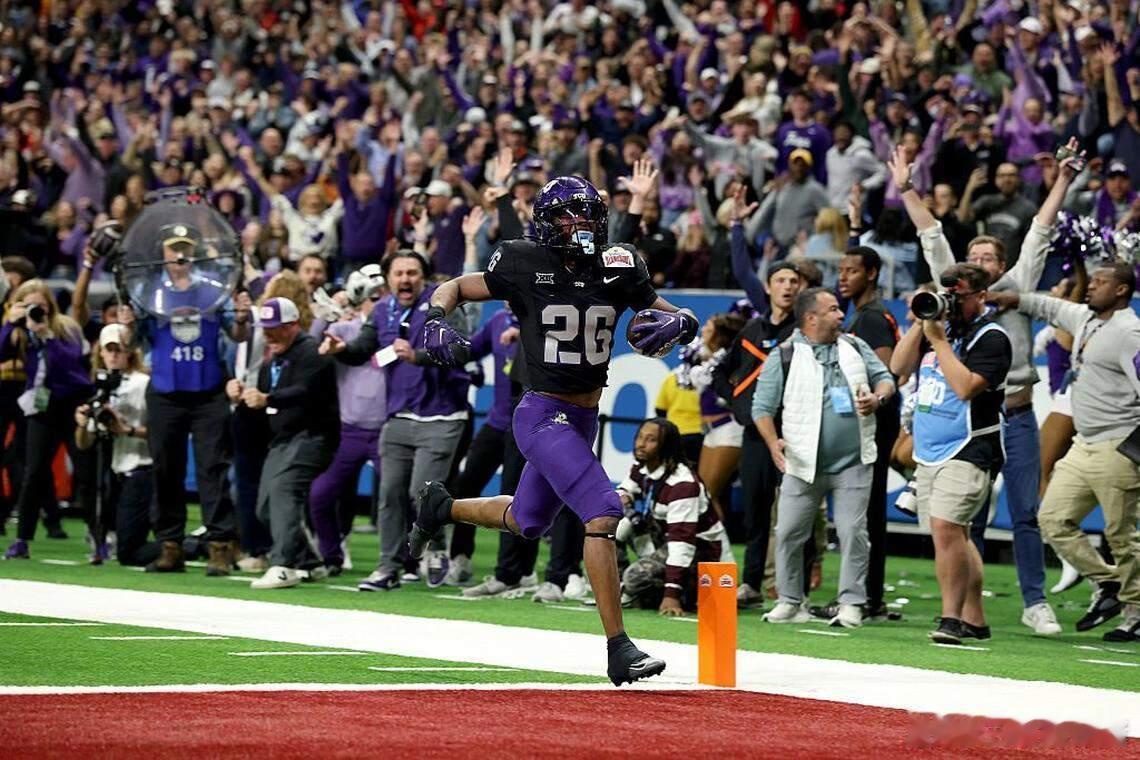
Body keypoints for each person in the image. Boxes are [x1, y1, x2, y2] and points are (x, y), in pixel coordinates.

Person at [406, 176, 698, 686]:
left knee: (528, 519)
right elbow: (455, 286)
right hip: (541, 412)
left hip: (583, 417)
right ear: (545, 222)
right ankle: (619, 647)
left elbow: (672, 314)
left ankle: (441, 508)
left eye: (587, 213)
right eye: (567, 214)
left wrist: (686, 323)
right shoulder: (523, 260)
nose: (579, 223)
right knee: (603, 511)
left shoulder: (619, 264)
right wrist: (434, 318)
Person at [892, 139, 1082, 636]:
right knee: (961, 523)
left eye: (987, 255)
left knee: (1024, 511)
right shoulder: (953, 298)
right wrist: (907, 190)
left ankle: (1034, 601)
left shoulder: (1014, 288)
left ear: (1000, 265)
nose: (978, 260)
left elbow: (1039, 232)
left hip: (1012, 413)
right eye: (972, 254)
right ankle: (970, 612)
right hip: (962, 421)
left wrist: (1063, 179)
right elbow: (931, 236)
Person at [991, 262, 1140, 642]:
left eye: (1102, 282)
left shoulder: (1130, 334)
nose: (1091, 286)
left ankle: (1135, 611)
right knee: (1052, 519)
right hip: (1083, 443)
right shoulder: (1086, 318)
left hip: (1117, 444)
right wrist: (1007, 298)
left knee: (1120, 534)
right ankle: (1109, 583)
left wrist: (1134, 449)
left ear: (1122, 290)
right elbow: (1049, 307)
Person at [320, 250, 470, 591]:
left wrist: (418, 356)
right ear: (388, 279)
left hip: (441, 415)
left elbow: (462, 350)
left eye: (412, 273)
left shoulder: (444, 303)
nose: (405, 279)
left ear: (424, 276)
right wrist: (341, 348)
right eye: (399, 273)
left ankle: (437, 546)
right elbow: (363, 348)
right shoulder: (382, 310)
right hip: (398, 415)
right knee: (389, 494)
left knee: (423, 493)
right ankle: (387, 568)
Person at [753, 288, 895, 628]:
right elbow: (762, 407)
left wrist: (878, 398)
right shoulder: (784, 355)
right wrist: (773, 443)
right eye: (832, 309)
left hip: (853, 461)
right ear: (811, 318)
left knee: (853, 532)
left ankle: (851, 603)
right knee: (788, 532)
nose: (841, 314)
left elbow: (886, 379)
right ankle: (790, 601)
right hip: (802, 463)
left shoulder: (855, 346)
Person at [890, 263, 1012, 646]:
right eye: (947, 295)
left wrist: (940, 342)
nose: (951, 303)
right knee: (954, 534)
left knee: (946, 529)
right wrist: (920, 322)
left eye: (958, 296)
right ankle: (975, 619)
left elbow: (965, 388)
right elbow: (898, 367)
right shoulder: (936, 329)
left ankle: (951, 619)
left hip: (970, 446)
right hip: (930, 450)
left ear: (981, 296)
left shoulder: (992, 338)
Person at [142, 223, 251, 576]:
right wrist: (127, 324)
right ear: (164, 254)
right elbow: (132, 340)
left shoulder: (213, 289)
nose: (179, 255)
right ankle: (170, 545)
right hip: (165, 391)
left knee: (213, 469)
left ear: (193, 253)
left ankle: (220, 546)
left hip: (207, 391)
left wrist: (242, 317)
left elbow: (238, 333)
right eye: (173, 248)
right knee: (165, 468)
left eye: (185, 248)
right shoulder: (149, 292)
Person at [718, 187, 802, 608]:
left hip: (798, 432)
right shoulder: (755, 328)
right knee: (755, 510)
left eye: (794, 282)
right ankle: (752, 584)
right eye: (780, 280)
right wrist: (739, 406)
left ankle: (793, 589)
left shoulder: (806, 329)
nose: (787, 287)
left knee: (796, 516)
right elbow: (721, 374)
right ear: (767, 288)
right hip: (756, 433)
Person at [226, 297, 339, 589]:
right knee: (265, 507)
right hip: (284, 438)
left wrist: (267, 398)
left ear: (292, 325)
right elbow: (266, 398)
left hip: (313, 435)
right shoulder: (273, 360)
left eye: (274, 328)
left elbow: (305, 391)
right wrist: (243, 394)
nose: (268, 335)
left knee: (283, 491)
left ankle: (284, 564)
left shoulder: (312, 352)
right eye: (265, 329)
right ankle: (309, 562)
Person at [832, 247, 902, 621]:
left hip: (874, 422)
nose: (843, 277)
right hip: (873, 420)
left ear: (872, 274)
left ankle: (869, 596)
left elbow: (884, 372)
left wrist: (871, 402)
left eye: (852, 271)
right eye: (841, 270)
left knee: (867, 511)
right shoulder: (865, 313)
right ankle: (869, 595)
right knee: (866, 510)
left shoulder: (872, 318)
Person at [1, 281, 93, 560]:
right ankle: (22, 539)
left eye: (40, 306)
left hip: (73, 403)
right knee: (34, 472)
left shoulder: (65, 327)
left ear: (50, 305)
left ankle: (98, 534)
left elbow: (70, 365)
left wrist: (46, 336)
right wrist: (9, 324)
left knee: (85, 471)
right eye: (30, 306)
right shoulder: (19, 331)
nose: (36, 311)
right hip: (42, 407)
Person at [307, 268, 387, 575]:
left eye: (382, 298)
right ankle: (331, 556)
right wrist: (326, 315)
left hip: (386, 429)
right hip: (349, 430)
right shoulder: (345, 328)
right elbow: (311, 348)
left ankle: (408, 560)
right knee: (320, 495)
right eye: (373, 298)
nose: (378, 304)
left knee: (400, 498)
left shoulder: (395, 329)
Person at [616, 418, 732, 615]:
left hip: (703, 553)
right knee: (611, 523)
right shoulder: (642, 466)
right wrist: (625, 499)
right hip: (665, 540)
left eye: (651, 440)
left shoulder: (682, 484)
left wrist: (672, 595)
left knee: (635, 577)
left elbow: (682, 544)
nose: (641, 444)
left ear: (666, 447)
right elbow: (623, 489)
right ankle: (619, 591)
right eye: (640, 437)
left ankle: (682, 592)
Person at [73, 324, 160, 567]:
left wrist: (127, 430)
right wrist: (82, 424)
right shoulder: (102, 388)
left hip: (143, 469)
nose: (113, 355)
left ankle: (187, 546)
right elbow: (84, 444)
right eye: (109, 349)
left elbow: (162, 433)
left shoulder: (143, 383)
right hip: (118, 474)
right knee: (127, 547)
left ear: (129, 352)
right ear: (100, 352)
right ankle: (177, 545)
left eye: (118, 349)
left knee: (128, 552)